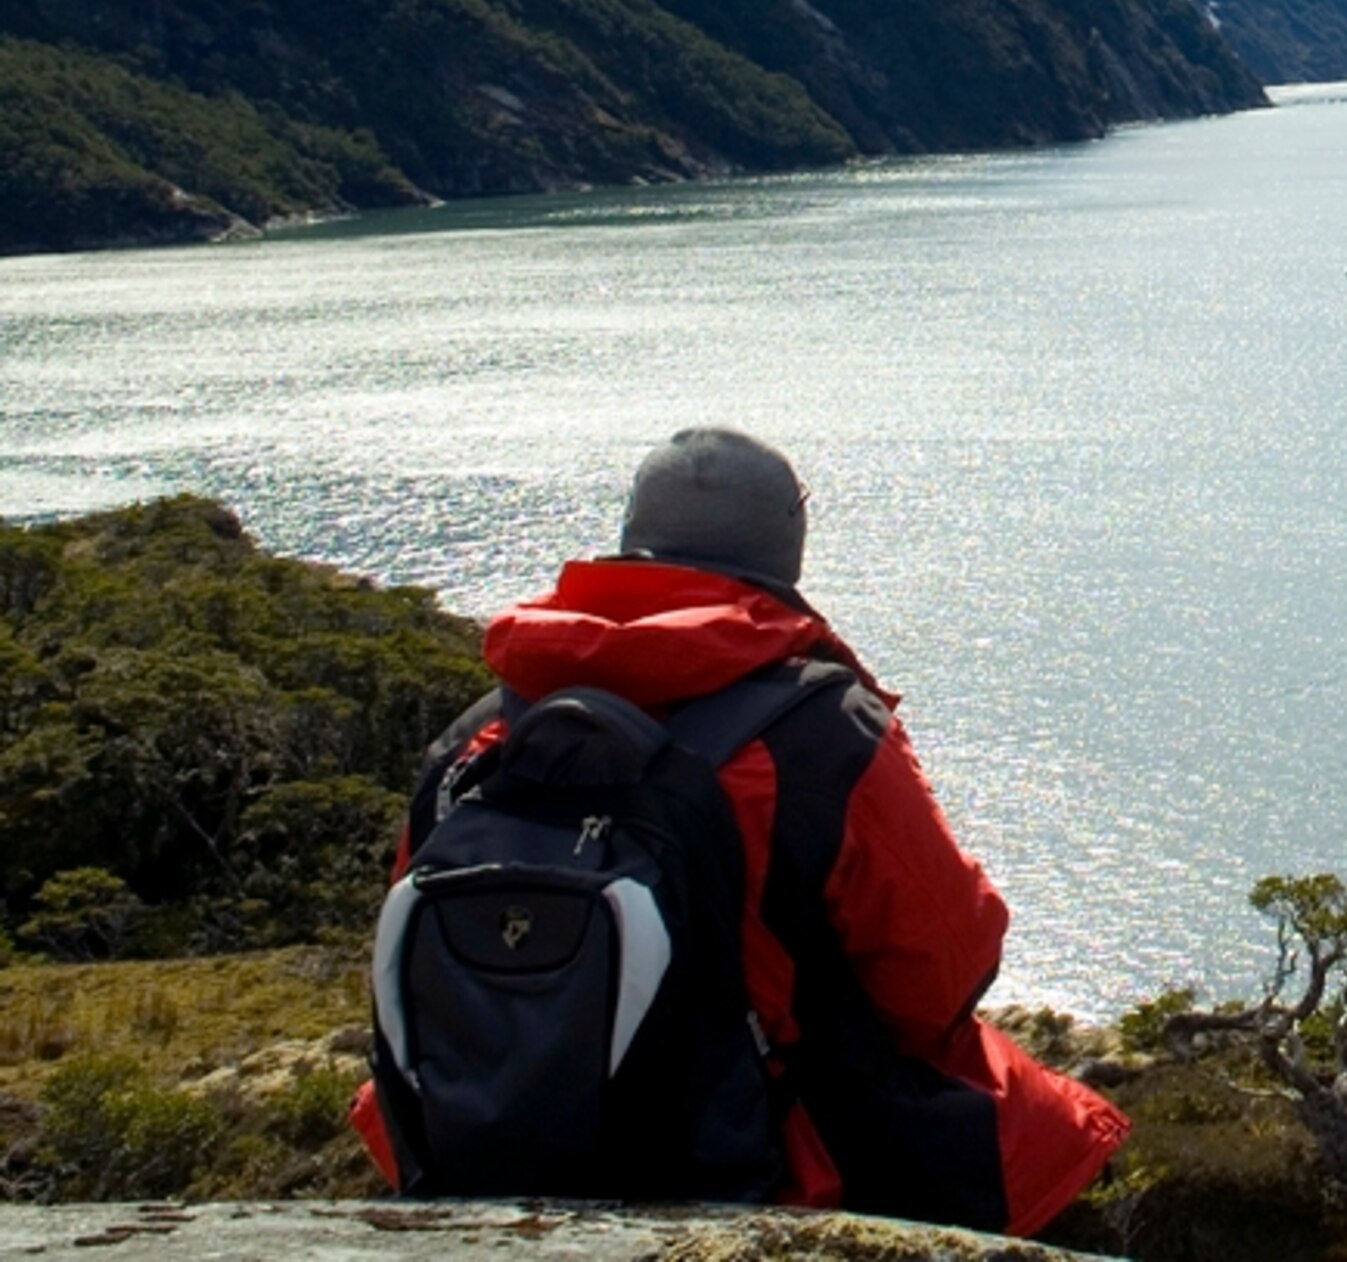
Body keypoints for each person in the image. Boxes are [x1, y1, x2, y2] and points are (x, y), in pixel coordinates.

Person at [353, 428, 1128, 1236]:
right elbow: (941, 974)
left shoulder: (482, 738)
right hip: (752, 1163)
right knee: (1041, 1123)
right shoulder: (818, 733)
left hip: (473, 1137)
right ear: (785, 548)